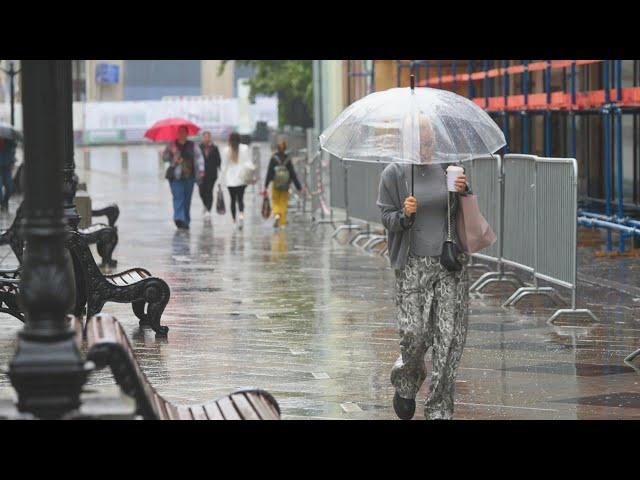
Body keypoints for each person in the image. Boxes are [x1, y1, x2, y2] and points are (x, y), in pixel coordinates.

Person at [377, 117, 471, 421]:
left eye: (430, 142)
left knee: (449, 337)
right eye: (421, 143)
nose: (427, 148)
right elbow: (386, 218)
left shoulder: (449, 168)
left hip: (448, 264)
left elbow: (463, 210)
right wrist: (404, 215)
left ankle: (440, 409)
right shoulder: (394, 174)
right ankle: (406, 380)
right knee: (414, 335)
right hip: (412, 265)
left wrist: (464, 190)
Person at [163, 125, 204, 230]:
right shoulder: (171, 145)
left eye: (183, 132)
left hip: (189, 176)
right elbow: (165, 158)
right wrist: (169, 152)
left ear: (187, 133)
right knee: (178, 197)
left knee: (187, 199)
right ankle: (178, 218)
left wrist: (201, 170)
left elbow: (199, 157)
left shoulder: (193, 145)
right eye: (179, 131)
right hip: (175, 177)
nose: (181, 134)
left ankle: (186, 220)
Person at [262, 137, 303, 229]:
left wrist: (265, 185)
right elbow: (292, 173)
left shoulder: (273, 158)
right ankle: (282, 223)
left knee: (275, 201)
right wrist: (299, 187)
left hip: (275, 183)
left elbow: (269, 173)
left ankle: (276, 215)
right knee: (283, 202)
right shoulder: (287, 159)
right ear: (285, 148)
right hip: (286, 184)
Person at [220, 132, 252, 230]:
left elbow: (224, 166)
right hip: (241, 178)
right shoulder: (245, 148)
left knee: (233, 200)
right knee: (241, 198)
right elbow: (248, 163)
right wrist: (251, 176)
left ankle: (234, 221)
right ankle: (241, 215)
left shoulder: (226, 150)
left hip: (230, 180)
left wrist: (221, 180)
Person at [198, 131, 221, 216]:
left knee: (209, 191)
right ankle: (205, 204)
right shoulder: (198, 148)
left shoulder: (214, 148)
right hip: (201, 174)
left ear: (210, 138)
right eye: (205, 137)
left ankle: (208, 209)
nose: (207, 138)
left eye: (208, 136)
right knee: (201, 191)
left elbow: (218, 160)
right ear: (202, 138)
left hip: (212, 173)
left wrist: (220, 170)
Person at [0, 138, 16, 213]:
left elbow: (13, 149)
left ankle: (5, 201)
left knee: (9, 187)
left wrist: (12, 161)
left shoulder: (9, 140)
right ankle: (2, 203)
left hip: (7, 167)